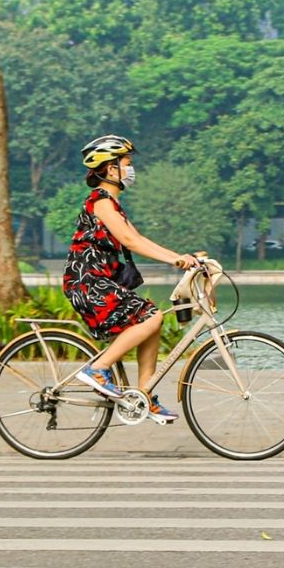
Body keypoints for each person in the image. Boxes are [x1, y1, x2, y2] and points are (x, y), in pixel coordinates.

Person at [62, 134, 199, 422]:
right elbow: (129, 240)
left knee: (151, 319)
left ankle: (144, 395)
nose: (131, 168)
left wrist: (181, 257)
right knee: (151, 317)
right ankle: (97, 370)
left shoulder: (112, 204)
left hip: (99, 282)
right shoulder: (100, 201)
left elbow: (137, 238)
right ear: (112, 169)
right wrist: (176, 259)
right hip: (87, 283)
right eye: (127, 163)